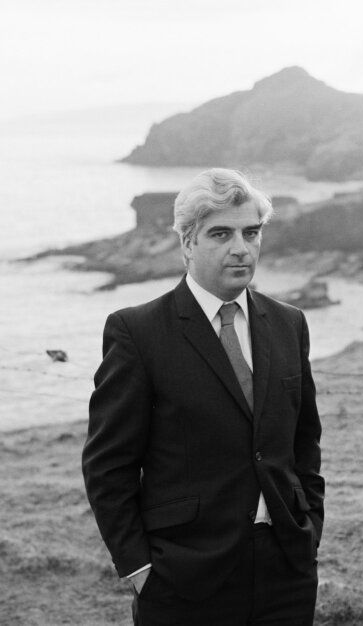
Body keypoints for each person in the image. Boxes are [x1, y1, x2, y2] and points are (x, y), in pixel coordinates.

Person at [82, 168, 325, 626]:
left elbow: (304, 442)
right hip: (182, 580)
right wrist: (141, 569)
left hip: (287, 571)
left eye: (250, 232)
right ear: (187, 243)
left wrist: (309, 529)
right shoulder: (136, 332)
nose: (241, 247)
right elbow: (107, 466)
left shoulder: (290, 322)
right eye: (221, 233)